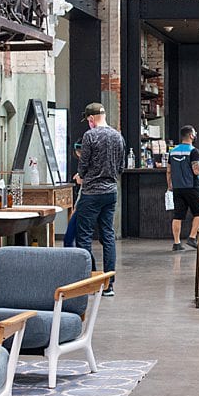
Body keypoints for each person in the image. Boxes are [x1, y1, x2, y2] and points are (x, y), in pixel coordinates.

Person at [73, 102, 125, 296]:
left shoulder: (90, 136)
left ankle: (90, 280)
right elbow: (120, 166)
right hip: (111, 192)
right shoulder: (117, 136)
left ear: (92, 118)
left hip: (91, 193)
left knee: (84, 236)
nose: (88, 124)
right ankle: (109, 283)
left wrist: (80, 176)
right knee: (108, 236)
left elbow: (83, 164)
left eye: (88, 120)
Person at [166, 125, 199, 252]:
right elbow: (197, 170)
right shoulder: (193, 151)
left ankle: (176, 243)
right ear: (191, 136)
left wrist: (170, 185)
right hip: (191, 187)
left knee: (178, 215)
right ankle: (192, 238)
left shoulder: (172, 151)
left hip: (177, 188)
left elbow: (169, 171)